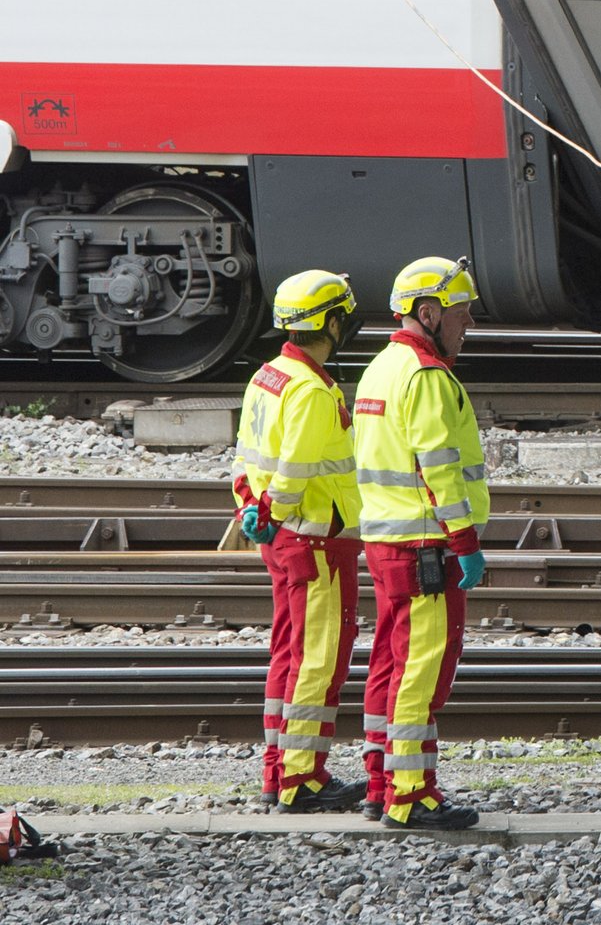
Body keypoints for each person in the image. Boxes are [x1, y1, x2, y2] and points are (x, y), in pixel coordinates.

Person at [352, 257, 489, 832]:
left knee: (388, 662)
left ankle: (381, 782)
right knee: (422, 670)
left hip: (387, 541)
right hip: (427, 546)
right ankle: (411, 796)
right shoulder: (427, 377)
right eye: (461, 315)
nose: (467, 327)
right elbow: (439, 468)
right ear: (428, 313)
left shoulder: (380, 368)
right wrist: (466, 542)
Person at [231, 270, 369, 815]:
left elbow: (245, 459)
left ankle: (279, 771)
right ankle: (301, 780)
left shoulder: (268, 376)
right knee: (318, 659)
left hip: (283, 541)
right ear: (331, 322)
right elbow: (293, 472)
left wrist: (252, 510)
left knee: (289, 653)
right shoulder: (313, 390)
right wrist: (276, 511)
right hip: (315, 542)